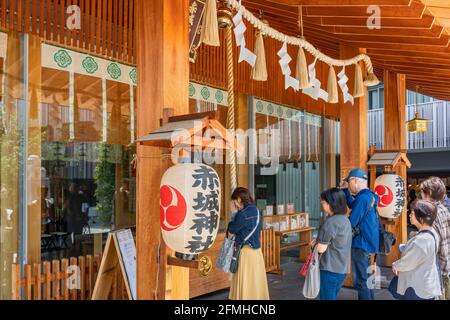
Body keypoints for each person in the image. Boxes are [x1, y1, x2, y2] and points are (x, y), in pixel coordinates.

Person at [340, 168, 379, 300]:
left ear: (355, 181)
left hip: (361, 243)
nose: (349, 185)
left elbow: (351, 222)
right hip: (369, 242)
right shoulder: (370, 196)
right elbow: (353, 204)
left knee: (361, 281)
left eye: (349, 182)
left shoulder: (362, 198)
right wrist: (345, 190)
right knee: (368, 280)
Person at [391, 200, 442, 300]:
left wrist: (395, 265)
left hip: (417, 287)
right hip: (426, 283)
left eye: (412, 213)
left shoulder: (421, 241)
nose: (409, 215)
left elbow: (407, 263)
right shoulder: (432, 232)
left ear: (421, 218)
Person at [227, 187, 269, 300]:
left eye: (234, 201)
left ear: (239, 199)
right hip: (257, 253)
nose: (235, 204)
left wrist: (233, 213)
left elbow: (231, 229)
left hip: (245, 253)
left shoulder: (242, 214)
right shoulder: (258, 211)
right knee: (255, 284)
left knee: (245, 283)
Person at [311, 188, 352, 300]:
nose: (322, 204)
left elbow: (321, 249)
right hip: (342, 268)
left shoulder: (330, 222)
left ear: (332, 203)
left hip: (330, 268)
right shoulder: (345, 220)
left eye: (324, 202)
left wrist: (314, 244)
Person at [419, 177, 450, 300]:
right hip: (446, 266)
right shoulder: (444, 209)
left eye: (422, 191)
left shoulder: (430, 213)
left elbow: (431, 245)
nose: (421, 194)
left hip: (437, 271)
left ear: (429, 193)